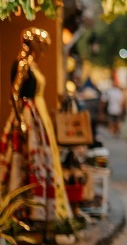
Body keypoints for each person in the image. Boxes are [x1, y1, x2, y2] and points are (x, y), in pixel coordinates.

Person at [0, 28, 74, 223]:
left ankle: (41, 211)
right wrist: (21, 121)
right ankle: (23, 213)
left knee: (41, 161)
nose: (42, 49)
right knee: (22, 162)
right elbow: (14, 94)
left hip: (37, 117)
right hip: (27, 116)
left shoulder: (32, 65)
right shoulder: (23, 64)